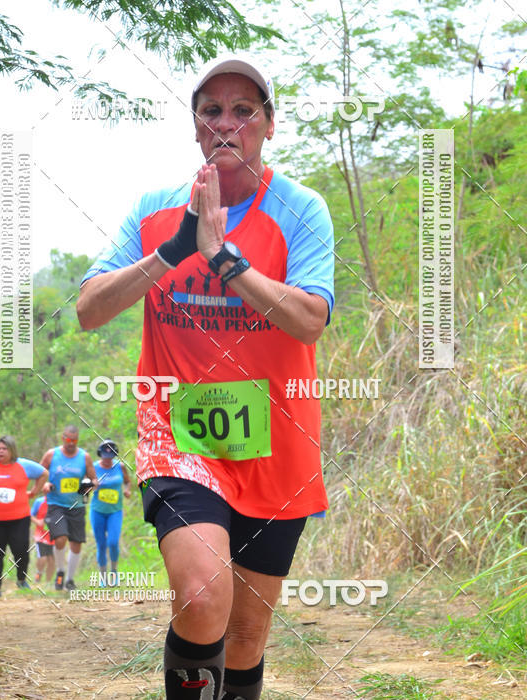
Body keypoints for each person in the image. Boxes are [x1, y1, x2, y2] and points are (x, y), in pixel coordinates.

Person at [77, 55, 335, 700]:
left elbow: (309, 320)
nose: (227, 123)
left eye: (243, 110)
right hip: (180, 436)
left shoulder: (301, 210)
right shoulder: (155, 210)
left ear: (269, 125)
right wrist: (175, 249)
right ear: (195, 127)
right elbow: (89, 309)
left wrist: (223, 260)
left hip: (278, 440)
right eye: (211, 110)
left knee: (246, 635)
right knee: (200, 597)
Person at [0, 435, 48, 597]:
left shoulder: (23, 465)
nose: (0, 452)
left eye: (4, 449)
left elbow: (44, 473)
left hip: (19, 519)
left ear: (12, 450)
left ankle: (21, 580)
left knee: (21, 550)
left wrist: (34, 491)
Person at [40, 425, 98, 591]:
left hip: (77, 505)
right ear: (62, 438)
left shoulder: (84, 457)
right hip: (56, 504)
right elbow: (40, 473)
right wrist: (45, 483)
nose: (70, 443)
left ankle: (70, 580)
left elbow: (95, 480)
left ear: (77, 440)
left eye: (74, 440)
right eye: (68, 439)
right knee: (60, 538)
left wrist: (89, 485)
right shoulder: (52, 455)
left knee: (76, 544)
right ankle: (60, 571)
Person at [90, 439, 131, 577]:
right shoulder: (93, 468)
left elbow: (127, 482)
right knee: (101, 544)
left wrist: (127, 490)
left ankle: (113, 572)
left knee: (113, 542)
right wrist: (92, 485)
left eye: (111, 456)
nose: (108, 460)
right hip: (97, 511)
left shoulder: (120, 467)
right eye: (105, 456)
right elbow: (84, 488)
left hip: (115, 512)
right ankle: (103, 576)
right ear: (100, 454)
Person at [30, 495, 55, 584]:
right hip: (40, 535)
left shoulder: (59, 501)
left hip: (54, 535)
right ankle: (38, 575)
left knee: (51, 560)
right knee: (43, 558)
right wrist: (37, 522)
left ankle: (48, 583)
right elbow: (30, 514)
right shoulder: (39, 501)